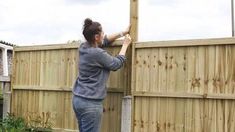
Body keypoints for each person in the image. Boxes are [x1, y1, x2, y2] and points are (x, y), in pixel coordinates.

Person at [72, 18, 132, 132]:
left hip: (78, 100)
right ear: (96, 37)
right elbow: (116, 64)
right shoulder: (97, 53)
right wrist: (125, 45)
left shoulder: (83, 47)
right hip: (90, 104)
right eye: (102, 33)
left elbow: (104, 41)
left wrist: (123, 33)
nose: (104, 35)